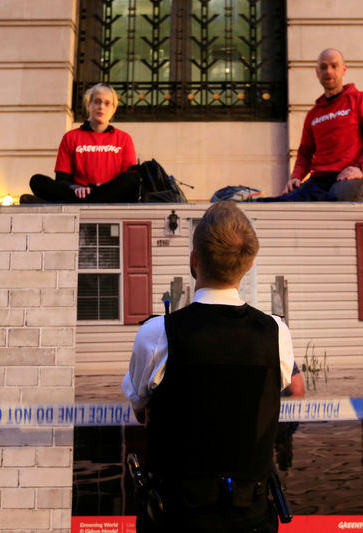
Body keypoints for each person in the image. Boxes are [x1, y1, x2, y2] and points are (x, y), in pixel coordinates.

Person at [122, 201, 296, 533]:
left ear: (193, 260)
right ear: (248, 264)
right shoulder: (276, 333)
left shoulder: (158, 333)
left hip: (176, 519)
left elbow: (140, 410)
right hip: (251, 519)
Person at [271, 48, 363, 202]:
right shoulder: (313, 114)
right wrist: (296, 177)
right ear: (317, 73)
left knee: (336, 197)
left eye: (334, 66)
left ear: (344, 69)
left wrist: (361, 168)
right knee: (286, 200)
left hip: (348, 176)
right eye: (323, 67)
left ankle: (359, 204)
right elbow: (305, 152)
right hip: (319, 179)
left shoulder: (361, 100)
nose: (328, 71)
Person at [20, 83, 139, 203]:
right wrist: (76, 188)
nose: (101, 107)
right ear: (88, 105)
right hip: (78, 194)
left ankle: (53, 203)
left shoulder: (124, 139)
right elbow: (62, 180)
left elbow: (129, 180)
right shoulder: (70, 137)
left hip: (109, 193)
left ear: (114, 109)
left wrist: (103, 188)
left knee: (133, 179)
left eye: (107, 103)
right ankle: (84, 199)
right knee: (36, 180)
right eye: (97, 101)